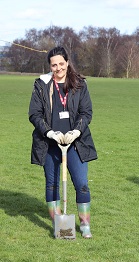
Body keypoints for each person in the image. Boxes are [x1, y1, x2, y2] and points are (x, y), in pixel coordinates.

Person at [29, 46, 97, 238]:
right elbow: (34, 114)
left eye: (61, 63)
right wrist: (49, 133)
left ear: (67, 62)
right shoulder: (41, 85)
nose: (58, 68)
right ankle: (58, 223)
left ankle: (84, 225)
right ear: (49, 66)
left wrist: (77, 131)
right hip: (50, 144)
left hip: (76, 143)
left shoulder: (80, 84)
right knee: (52, 185)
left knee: (82, 184)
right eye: (53, 65)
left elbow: (86, 112)